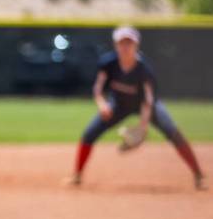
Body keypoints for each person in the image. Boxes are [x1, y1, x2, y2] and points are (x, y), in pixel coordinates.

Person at [69, 25, 206, 190]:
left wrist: (143, 127)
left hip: (146, 106)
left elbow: (148, 101)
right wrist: (102, 105)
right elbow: (98, 89)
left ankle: (198, 174)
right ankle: (77, 176)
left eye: (129, 42)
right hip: (118, 105)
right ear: (116, 44)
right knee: (89, 133)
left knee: (173, 132)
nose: (125, 46)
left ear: (136, 45)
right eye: (122, 42)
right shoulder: (108, 63)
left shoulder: (144, 69)